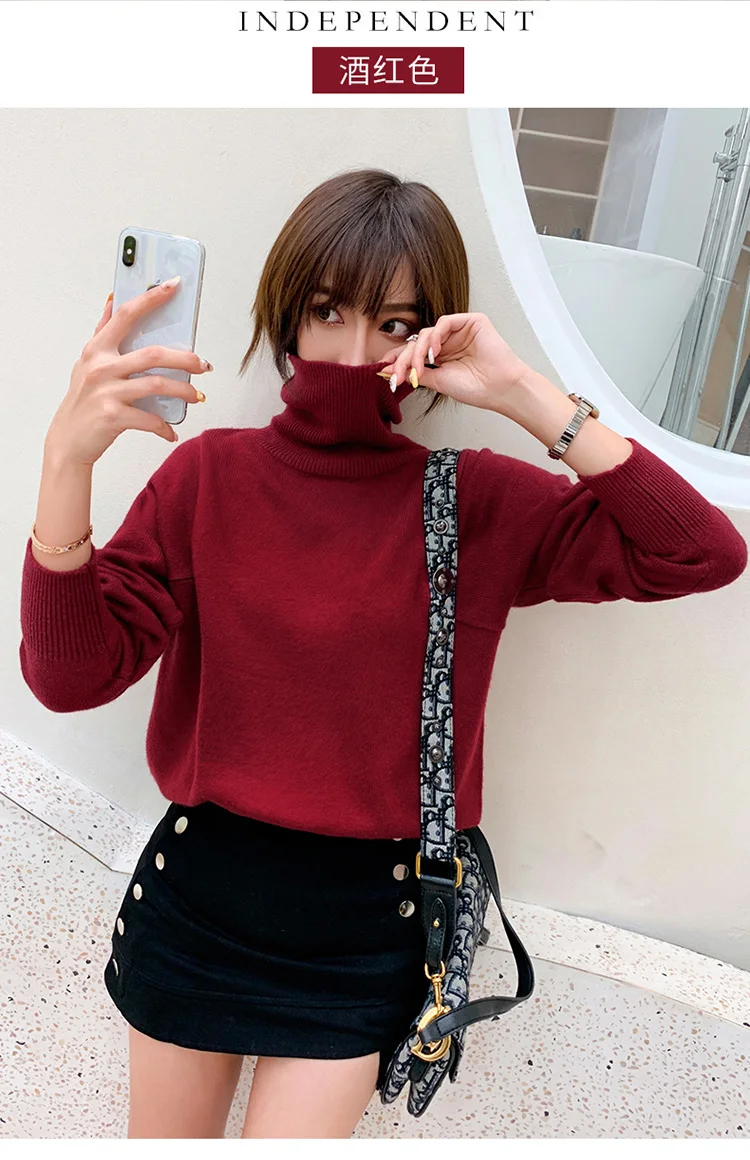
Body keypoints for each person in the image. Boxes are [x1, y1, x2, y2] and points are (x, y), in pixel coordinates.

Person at [19, 168, 748, 1140]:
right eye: (328, 310)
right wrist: (66, 462)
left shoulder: (472, 501)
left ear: (432, 334)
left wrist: (524, 394)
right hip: (198, 905)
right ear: (289, 312)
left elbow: (698, 551)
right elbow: (69, 677)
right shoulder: (208, 480)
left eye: (394, 323)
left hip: (363, 932)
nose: (357, 352)